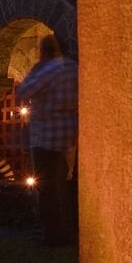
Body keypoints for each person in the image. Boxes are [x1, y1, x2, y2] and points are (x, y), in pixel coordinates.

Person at [15, 35, 78, 246]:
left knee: (47, 188)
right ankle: (69, 231)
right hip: (69, 135)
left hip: (46, 136)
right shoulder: (72, 67)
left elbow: (24, 91)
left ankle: (53, 235)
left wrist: (34, 70)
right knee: (64, 186)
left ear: (43, 51)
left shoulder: (47, 70)